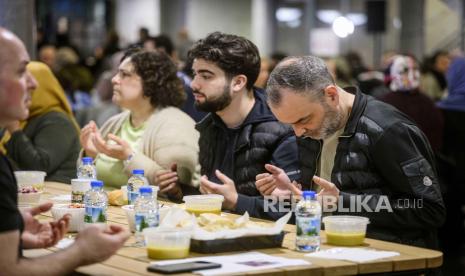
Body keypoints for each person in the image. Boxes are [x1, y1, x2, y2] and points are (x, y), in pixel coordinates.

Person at [261, 55, 445, 249]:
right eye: (290, 124)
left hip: (387, 258)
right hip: (328, 250)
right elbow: (323, 200)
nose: (298, 132)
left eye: (303, 120)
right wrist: (294, 197)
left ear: (331, 95)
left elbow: (429, 209)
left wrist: (343, 202)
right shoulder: (313, 128)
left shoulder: (387, 129)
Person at [0, 27, 129, 275]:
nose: (33, 83)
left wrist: (12, 225)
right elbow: (8, 271)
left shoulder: (53, 120)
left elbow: (38, 164)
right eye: (20, 72)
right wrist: (80, 251)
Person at [174, 32, 299, 218]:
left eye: (206, 76)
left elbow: (296, 210)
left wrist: (236, 201)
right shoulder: (209, 126)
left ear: (238, 83)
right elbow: (217, 199)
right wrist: (178, 191)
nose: (194, 84)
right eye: (195, 74)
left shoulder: (283, 130)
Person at [80, 48, 200, 200]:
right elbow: (86, 184)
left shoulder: (175, 124)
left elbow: (174, 188)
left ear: (151, 81)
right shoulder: (116, 121)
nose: (114, 79)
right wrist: (91, 155)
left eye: (125, 74)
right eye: (117, 73)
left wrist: (129, 157)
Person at [2, 61, 81, 183]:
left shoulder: (57, 121)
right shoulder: (27, 119)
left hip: (56, 195)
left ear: (41, 88)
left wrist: (14, 130)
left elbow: (38, 167)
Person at [380, 55, 443, 153]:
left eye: (415, 69)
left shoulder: (427, 102)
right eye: (404, 71)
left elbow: (436, 132)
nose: (412, 74)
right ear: (394, 73)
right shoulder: (385, 102)